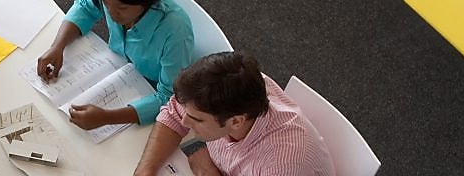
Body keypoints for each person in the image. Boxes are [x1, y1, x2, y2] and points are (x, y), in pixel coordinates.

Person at [36, 0, 196, 130]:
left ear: (147, 0)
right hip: (118, 69)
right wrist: (58, 46)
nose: (111, 13)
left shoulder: (176, 31)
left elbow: (169, 97)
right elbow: (86, 6)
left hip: (148, 92)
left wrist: (107, 118)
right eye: (106, 3)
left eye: (121, 8)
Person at [133, 51, 334, 176]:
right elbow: (173, 114)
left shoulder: (284, 164)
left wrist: (208, 173)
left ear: (236, 121)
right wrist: (145, 171)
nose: (184, 121)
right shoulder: (229, 91)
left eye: (196, 119)